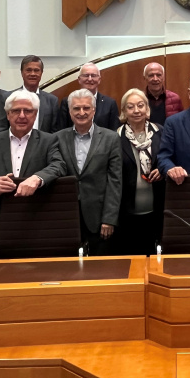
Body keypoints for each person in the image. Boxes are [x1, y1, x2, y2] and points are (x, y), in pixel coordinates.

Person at [0, 89, 67, 250]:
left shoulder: (48, 140)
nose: (22, 115)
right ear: (7, 114)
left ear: (35, 114)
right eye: (16, 110)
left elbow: (59, 165)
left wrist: (38, 178)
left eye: (28, 111)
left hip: (36, 220)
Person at [57, 89, 122, 256]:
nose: (81, 113)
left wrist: (109, 218)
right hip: (66, 215)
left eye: (86, 108)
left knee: (99, 269)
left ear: (94, 110)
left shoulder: (111, 138)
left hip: (98, 216)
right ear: (69, 111)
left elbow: (115, 181)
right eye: (76, 108)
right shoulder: (57, 138)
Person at [116, 89, 165, 255]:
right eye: (130, 107)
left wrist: (163, 169)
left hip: (158, 207)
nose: (136, 110)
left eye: (140, 105)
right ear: (124, 111)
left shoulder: (160, 132)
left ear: (147, 109)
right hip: (127, 210)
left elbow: (170, 158)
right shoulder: (115, 137)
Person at [0, 55, 61, 133]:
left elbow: (55, 132)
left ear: (41, 73)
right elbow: (1, 129)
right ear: (22, 72)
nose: (32, 74)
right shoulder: (7, 97)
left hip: (43, 145)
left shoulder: (52, 100)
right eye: (28, 70)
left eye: (36, 70)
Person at [58, 62, 120, 130]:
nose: (90, 79)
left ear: (99, 80)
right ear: (79, 79)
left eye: (93, 75)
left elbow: (114, 132)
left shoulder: (110, 103)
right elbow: (62, 131)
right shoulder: (67, 102)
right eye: (86, 75)